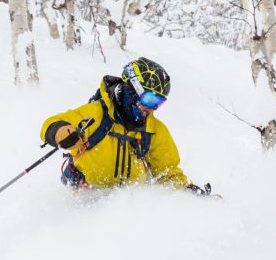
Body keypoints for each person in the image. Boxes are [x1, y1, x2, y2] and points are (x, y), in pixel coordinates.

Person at [40, 57, 212, 195]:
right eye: (149, 100)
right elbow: (51, 124)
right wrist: (60, 131)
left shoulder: (154, 130)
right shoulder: (96, 114)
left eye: (158, 103)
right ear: (132, 91)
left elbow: (168, 174)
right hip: (87, 196)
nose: (151, 109)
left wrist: (190, 195)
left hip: (129, 206)